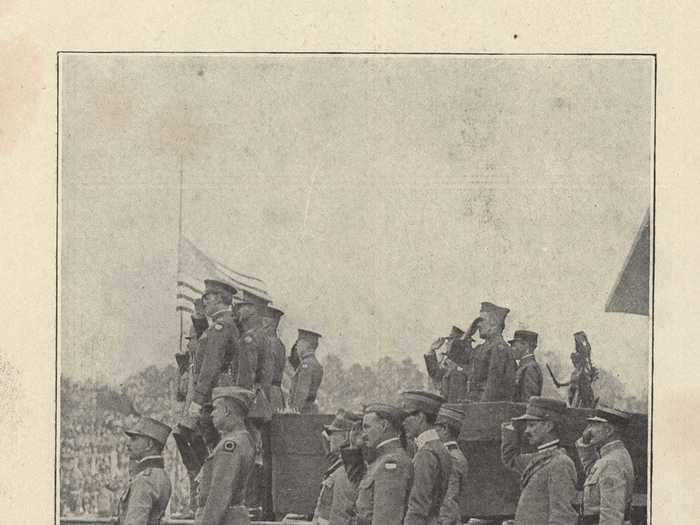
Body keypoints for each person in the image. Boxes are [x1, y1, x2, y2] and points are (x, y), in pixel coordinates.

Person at [501, 396, 577, 525]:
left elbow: (562, 518)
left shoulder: (560, 463)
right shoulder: (540, 458)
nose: (526, 431)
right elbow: (511, 460)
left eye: (531, 425)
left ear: (548, 426)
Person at [195, 386, 256, 525]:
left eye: (216, 408)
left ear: (227, 411)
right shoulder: (244, 439)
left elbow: (219, 494)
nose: (211, 414)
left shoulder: (230, 445)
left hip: (225, 519)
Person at [356, 403, 413, 525]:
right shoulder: (382, 459)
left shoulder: (392, 463)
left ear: (383, 425)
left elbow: (386, 520)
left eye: (367, 427)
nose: (363, 434)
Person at [400, 390, 452, 525]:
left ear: (420, 417)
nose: (403, 423)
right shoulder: (440, 448)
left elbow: (418, 508)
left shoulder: (425, 454)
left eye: (406, 416)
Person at [576, 407, 635, 525]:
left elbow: (611, 515)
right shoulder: (610, 457)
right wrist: (584, 445)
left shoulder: (612, 462)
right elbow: (591, 471)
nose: (587, 431)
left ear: (608, 430)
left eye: (593, 425)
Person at [117, 417, 172, 525]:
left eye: (134, 439)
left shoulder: (144, 480)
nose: (128, 444)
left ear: (149, 444)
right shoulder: (161, 475)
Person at [312, 410, 363, 525]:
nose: (329, 438)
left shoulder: (348, 468)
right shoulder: (340, 464)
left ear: (346, 436)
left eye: (332, 433)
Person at [462, 302, 517, 402]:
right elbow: (458, 358)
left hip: (486, 409)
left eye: (482, 320)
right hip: (475, 405)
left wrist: (479, 410)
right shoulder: (481, 348)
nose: (478, 324)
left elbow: (493, 387)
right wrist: (467, 334)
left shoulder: (499, 348)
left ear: (494, 322)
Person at [434, 405, 468, 525]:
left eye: (434, 429)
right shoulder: (453, 454)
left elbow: (448, 501)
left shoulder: (450, 458)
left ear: (444, 429)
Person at [424, 326, 469, 403]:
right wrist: (431, 350)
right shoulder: (449, 361)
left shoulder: (461, 361)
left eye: (450, 340)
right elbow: (435, 373)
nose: (446, 343)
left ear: (457, 343)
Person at [288, 329, 324, 414]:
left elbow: (302, 392)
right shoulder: (315, 364)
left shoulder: (306, 365)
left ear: (306, 345)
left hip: (303, 412)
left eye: (299, 343)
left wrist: (294, 411)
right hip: (310, 410)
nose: (296, 347)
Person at [262, 305, 287, 411]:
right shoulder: (278, 343)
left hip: (268, 392)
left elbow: (268, 372)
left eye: (264, 321)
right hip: (274, 392)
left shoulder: (271, 343)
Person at [509, 330, 543, 403]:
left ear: (526, 345)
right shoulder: (524, 366)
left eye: (515, 345)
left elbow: (528, 401)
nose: (512, 349)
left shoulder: (530, 368)